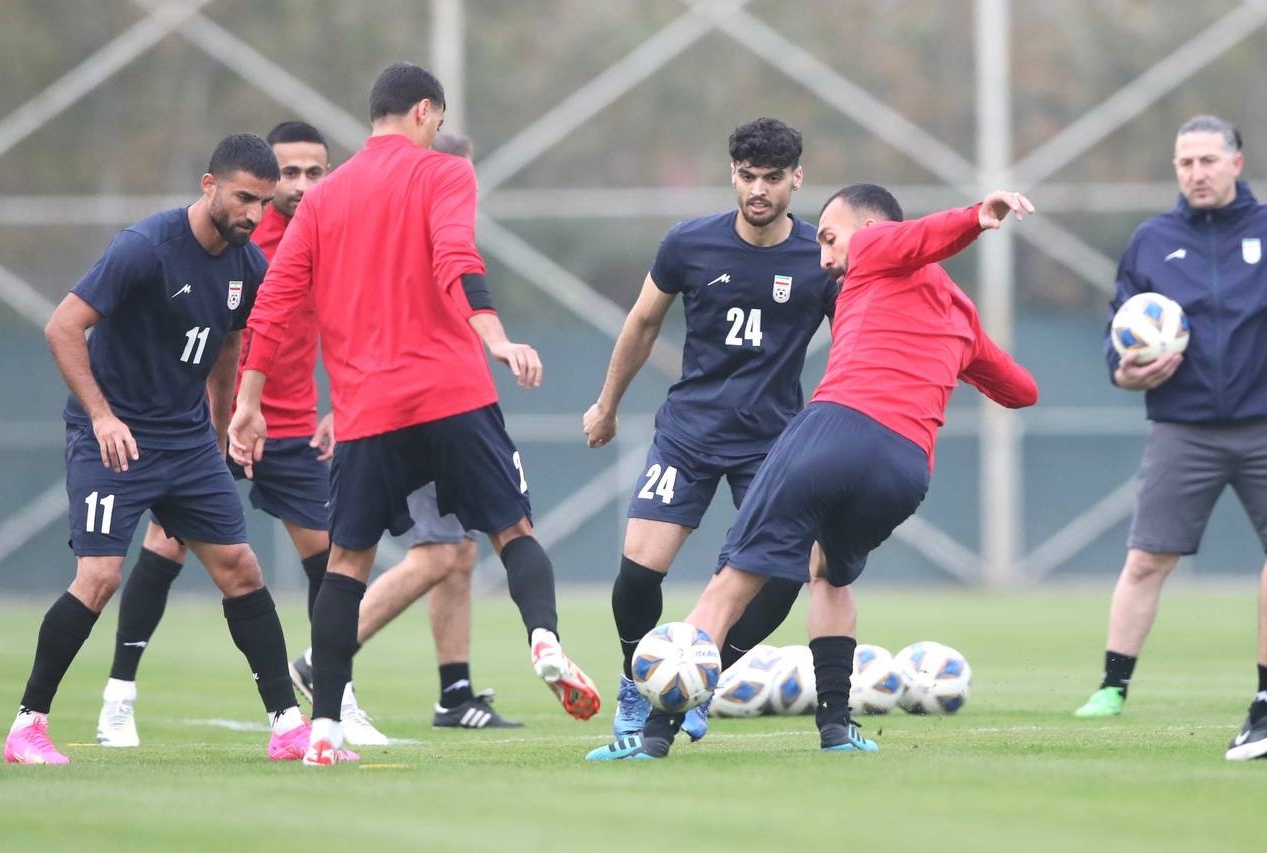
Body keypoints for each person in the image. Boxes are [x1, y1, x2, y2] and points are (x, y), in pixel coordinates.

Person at [587, 185, 1038, 761]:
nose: (824, 258)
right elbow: (1022, 391)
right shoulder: (962, 317)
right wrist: (957, 356)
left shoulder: (873, 251)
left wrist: (978, 216)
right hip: (905, 467)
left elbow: (925, 236)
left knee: (728, 587)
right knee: (829, 575)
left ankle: (652, 737)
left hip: (834, 431)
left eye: (830, 238)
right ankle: (836, 731)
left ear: (872, 229)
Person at [230, 63, 599, 766]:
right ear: (427, 113)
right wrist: (494, 337)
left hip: (368, 410)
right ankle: (543, 639)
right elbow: (455, 256)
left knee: (346, 563)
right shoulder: (443, 174)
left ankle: (329, 728)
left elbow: (273, 302)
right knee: (511, 530)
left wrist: (247, 403)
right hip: (454, 393)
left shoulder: (321, 200)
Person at [4, 133, 321, 765]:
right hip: (115, 441)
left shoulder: (244, 265)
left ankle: (288, 724)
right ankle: (27, 727)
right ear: (208, 186)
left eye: (261, 203)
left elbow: (231, 344)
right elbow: (63, 327)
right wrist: (101, 417)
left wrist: (227, 416)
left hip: (187, 441)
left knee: (241, 569)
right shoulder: (144, 248)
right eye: (242, 198)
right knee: (99, 578)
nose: (253, 215)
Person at [85, 121, 391, 747]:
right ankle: (119, 695)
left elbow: (352, 321)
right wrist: (216, 420)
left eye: (316, 172)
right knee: (164, 551)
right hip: (211, 424)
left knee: (333, 558)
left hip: (294, 424)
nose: (302, 186)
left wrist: (346, 402)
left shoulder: (332, 235)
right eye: (291, 174)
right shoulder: (237, 240)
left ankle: (338, 697)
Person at [581, 117, 836, 741]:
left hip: (772, 444)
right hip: (689, 434)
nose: (758, 190)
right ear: (732, 174)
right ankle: (638, 684)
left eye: (773, 179)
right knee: (640, 570)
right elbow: (642, 324)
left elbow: (857, 339)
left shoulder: (819, 260)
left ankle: (699, 676)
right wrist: (607, 405)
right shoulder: (688, 244)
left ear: (796, 179)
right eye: (748, 177)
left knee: (782, 577)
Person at [289, 130, 523, 731]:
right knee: (440, 551)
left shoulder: (439, 230)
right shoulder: (417, 224)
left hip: (438, 404)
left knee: (459, 553)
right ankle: (324, 659)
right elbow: (374, 320)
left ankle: (455, 692)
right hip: (419, 414)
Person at [1071, 115, 1267, 761]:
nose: (1197, 173)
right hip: (1183, 428)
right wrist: (1125, 370)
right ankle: (1112, 685)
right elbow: (1116, 337)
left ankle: (1264, 696)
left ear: (1237, 163)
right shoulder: (1152, 241)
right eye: (1186, 163)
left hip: (1263, 424)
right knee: (1146, 560)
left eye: (1209, 160)